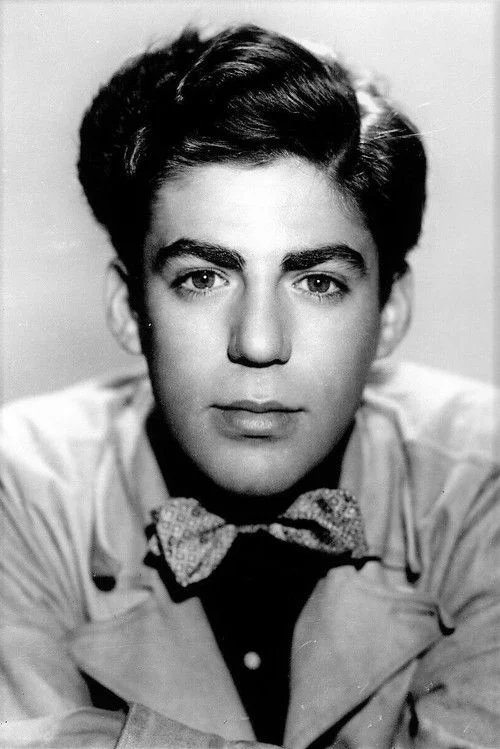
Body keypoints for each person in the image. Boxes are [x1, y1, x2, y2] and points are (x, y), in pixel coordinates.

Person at [0, 23, 498, 749]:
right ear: (130, 309)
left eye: (318, 282)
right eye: (202, 278)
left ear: (389, 312)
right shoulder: (19, 488)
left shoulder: (484, 481)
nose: (259, 343)